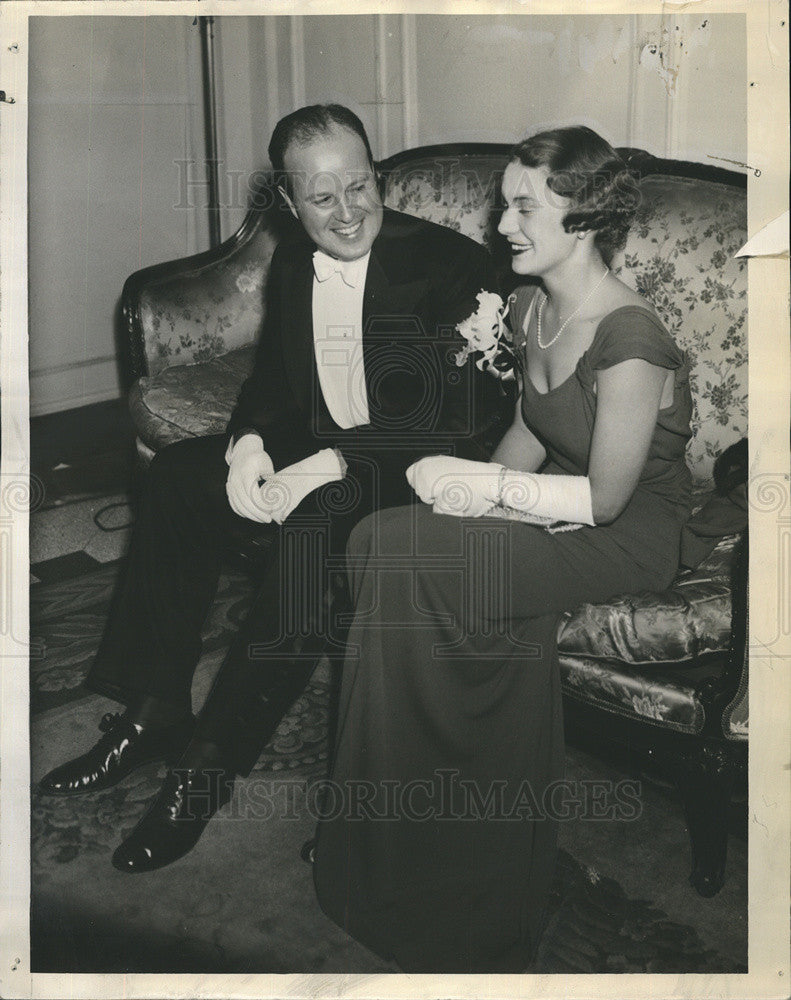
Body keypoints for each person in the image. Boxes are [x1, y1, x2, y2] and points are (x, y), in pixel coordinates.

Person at [39, 104, 502, 873]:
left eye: (361, 187)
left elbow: (456, 419)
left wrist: (323, 468)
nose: (349, 213)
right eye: (322, 198)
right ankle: (153, 712)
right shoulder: (292, 259)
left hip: (419, 465)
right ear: (288, 204)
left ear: (375, 176)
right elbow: (275, 381)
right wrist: (249, 445)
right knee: (184, 476)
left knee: (316, 523)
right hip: (328, 442)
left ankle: (204, 773)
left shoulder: (449, 266)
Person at [312, 125, 694, 972]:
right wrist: (471, 497)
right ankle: (393, 834)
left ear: (584, 217)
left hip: (625, 534)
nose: (503, 225)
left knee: (419, 559)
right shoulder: (529, 307)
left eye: (523, 207)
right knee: (381, 539)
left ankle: (459, 863)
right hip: (547, 505)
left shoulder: (632, 336)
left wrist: (479, 493)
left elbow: (604, 498)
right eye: (503, 204)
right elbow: (528, 427)